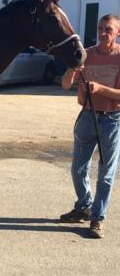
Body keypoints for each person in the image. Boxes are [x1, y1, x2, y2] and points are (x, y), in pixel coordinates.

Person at [60, 14, 120, 238]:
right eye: (101, 28)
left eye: (109, 30)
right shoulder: (88, 54)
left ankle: (97, 218)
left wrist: (100, 89)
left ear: (117, 33)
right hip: (87, 117)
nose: (104, 33)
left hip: (112, 119)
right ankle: (84, 205)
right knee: (78, 168)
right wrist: (73, 69)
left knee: (106, 173)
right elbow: (65, 85)